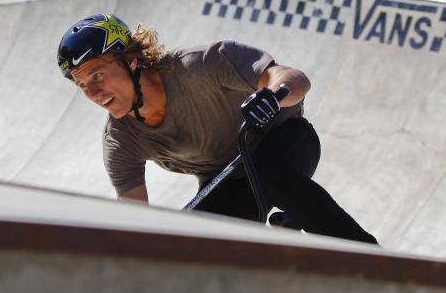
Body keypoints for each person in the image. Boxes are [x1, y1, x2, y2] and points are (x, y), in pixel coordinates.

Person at [57, 14, 379, 245]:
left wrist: (272, 95)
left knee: (267, 169)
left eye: (98, 75)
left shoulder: (199, 66)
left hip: (288, 143)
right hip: (229, 181)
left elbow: (295, 78)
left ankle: (366, 255)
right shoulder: (120, 142)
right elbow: (134, 221)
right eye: (83, 85)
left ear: (130, 61)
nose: (94, 93)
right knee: (198, 237)